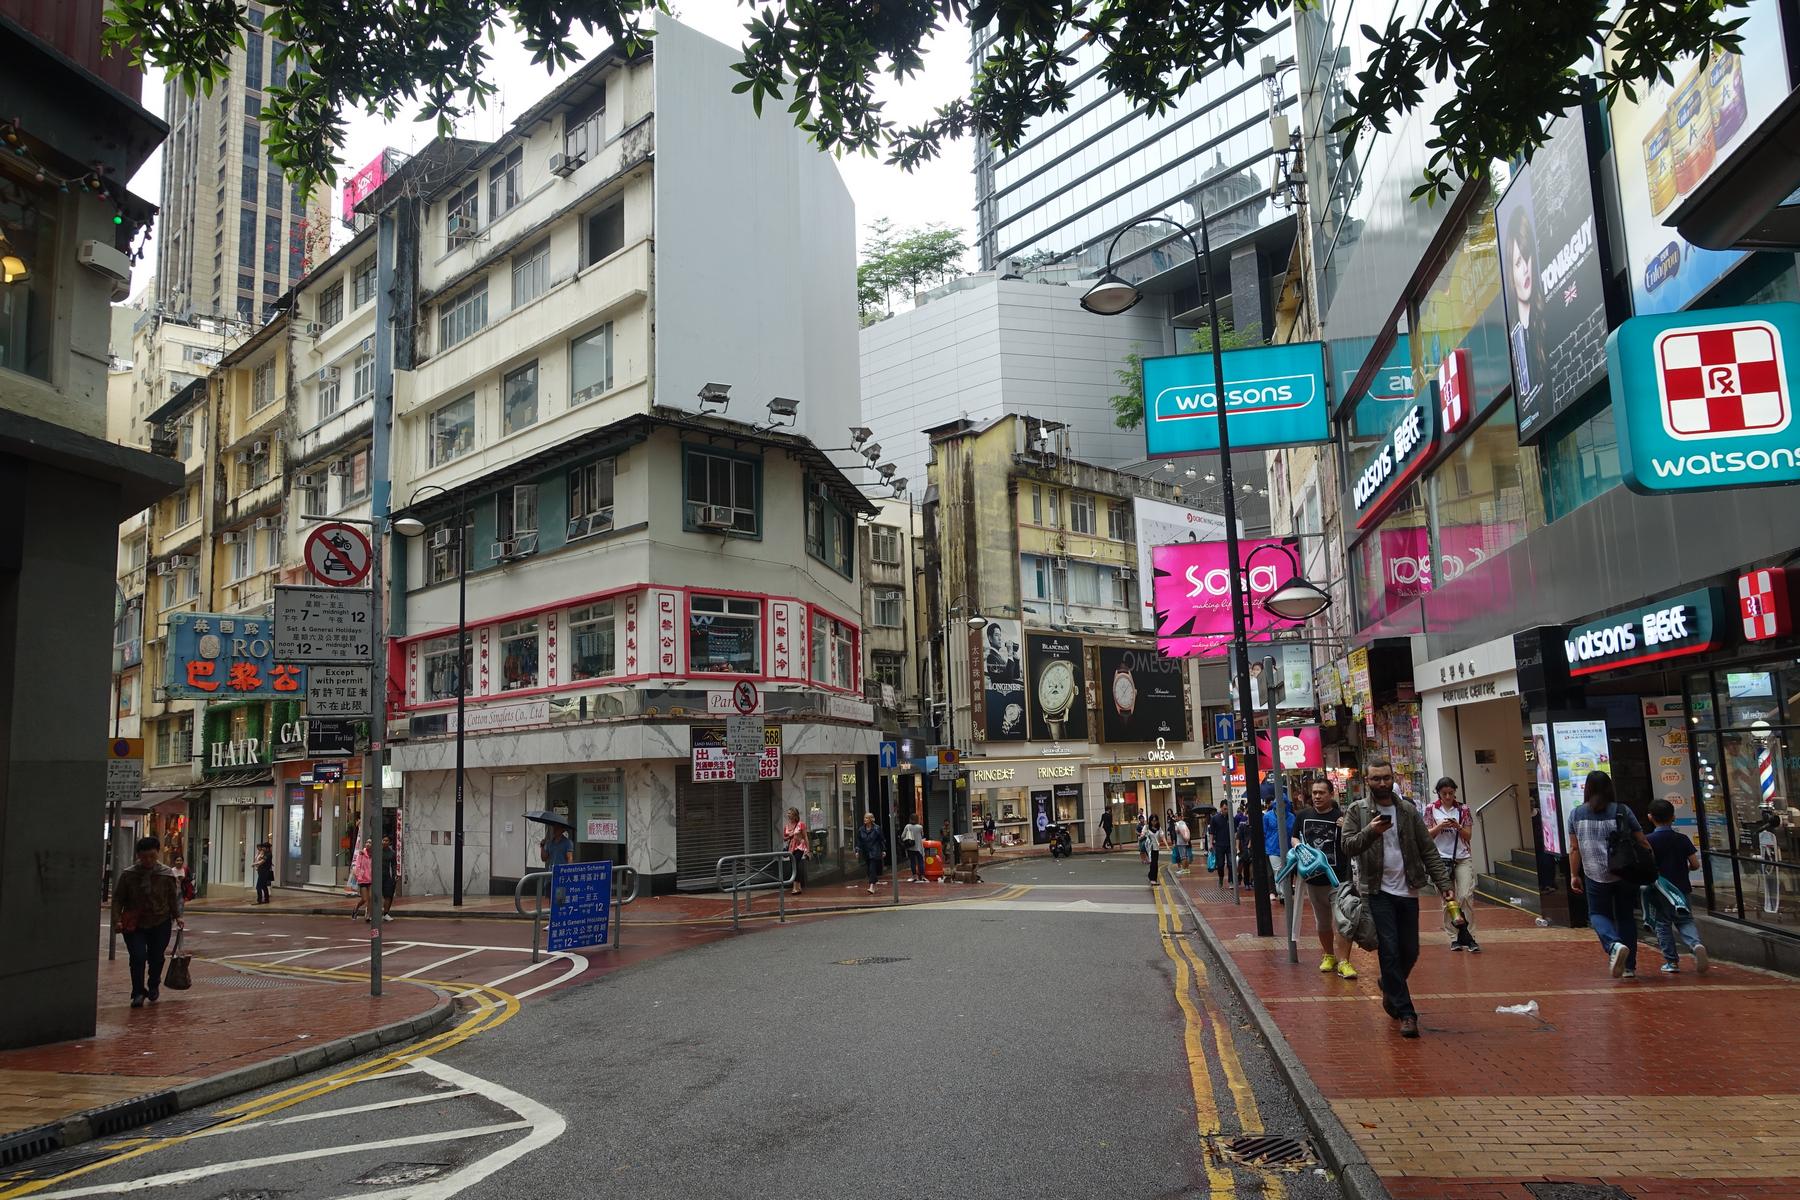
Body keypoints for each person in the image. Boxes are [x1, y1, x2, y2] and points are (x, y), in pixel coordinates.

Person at [1341, 759, 1454, 1038]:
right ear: (1367, 781)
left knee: (1410, 950)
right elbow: (1347, 846)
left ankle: (1390, 985)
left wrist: (1444, 885)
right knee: (1389, 950)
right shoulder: (1358, 811)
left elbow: (1427, 850)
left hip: (1408, 889)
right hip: (1377, 891)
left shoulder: (1406, 811)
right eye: (1376, 778)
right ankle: (1406, 1012)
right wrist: (1371, 831)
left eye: (1386, 778)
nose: (1382, 783)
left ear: (1394, 779)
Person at [1567, 771, 1653, 979]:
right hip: (1624, 872)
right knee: (1625, 917)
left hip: (1594, 873)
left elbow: (1574, 848)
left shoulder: (1576, 814)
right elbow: (1642, 841)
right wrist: (1651, 862)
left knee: (1597, 914)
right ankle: (1629, 967)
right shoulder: (1622, 810)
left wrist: (1573, 874)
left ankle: (1613, 945)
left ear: (1587, 788)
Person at [1295, 778, 1357, 979]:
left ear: (1331, 794)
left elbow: (1354, 842)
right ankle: (1329, 955)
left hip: (1337, 880)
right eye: (1314, 793)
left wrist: (1346, 826)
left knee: (1342, 922)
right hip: (1313, 880)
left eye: (1322, 792)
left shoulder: (1342, 816)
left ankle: (1344, 962)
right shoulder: (1303, 815)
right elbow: (1294, 836)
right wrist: (1298, 847)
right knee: (1322, 923)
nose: (1317, 796)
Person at [112, 836, 183, 1008]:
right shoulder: (129, 874)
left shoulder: (166, 874)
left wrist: (178, 916)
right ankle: (137, 992)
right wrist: (116, 920)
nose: (148, 860)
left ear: (157, 853)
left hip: (161, 922)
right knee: (137, 957)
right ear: (138, 855)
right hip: (134, 924)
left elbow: (173, 898)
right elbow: (118, 899)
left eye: (152, 856)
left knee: (156, 958)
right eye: (144, 857)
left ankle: (153, 984)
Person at [1644, 799, 1708, 974]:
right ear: (1673, 817)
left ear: (1650, 817)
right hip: (1682, 888)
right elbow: (1695, 864)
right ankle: (1695, 944)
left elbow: (1647, 865)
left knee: (1663, 924)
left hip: (1660, 889)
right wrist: (1683, 868)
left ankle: (1671, 962)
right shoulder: (1682, 839)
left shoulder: (1648, 840)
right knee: (1685, 919)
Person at [1424, 777, 1479, 952]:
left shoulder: (1463, 809)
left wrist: (1458, 827)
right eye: (1444, 794)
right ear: (1438, 793)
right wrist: (1439, 827)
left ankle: (1469, 935)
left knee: (1465, 896)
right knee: (1448, 900)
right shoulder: (1431, 809)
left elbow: (1468, 836)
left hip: (1462, 858)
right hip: (1440, 859)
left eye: (1451, 793)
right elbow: (1427, 835)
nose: (1448, 797)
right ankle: (1454, 937)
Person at [1262, 780, 1293, 904]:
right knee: (1278, 870)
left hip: (1288, 848)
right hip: (1272, 848)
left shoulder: (1291, 817)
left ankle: (1284, 892)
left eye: (1284, 803)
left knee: (1287, 870)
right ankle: (1282, 893)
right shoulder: (1267, 816)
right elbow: (1264, 833)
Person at [781, 807, 810, 896]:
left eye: (790, 813)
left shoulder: (801, 824)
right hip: (791, 848)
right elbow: (784, 838)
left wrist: (808, 850)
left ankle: (795, 887)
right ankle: (799, 886)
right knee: (793, 866)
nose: (788, 815)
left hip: (800, 847)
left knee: (795, 864)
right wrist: (789, 836)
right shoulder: (786, 826)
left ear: (794, 815)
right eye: (788, 813)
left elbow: (805, 837)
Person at [856, 811, 886, 894]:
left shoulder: (877, 828)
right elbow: (859, 841)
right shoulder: (861, 829)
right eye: (864, 818)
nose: (864, 819)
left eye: (866, 818)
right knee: (869, 870)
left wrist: (883, 850)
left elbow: (881, 840)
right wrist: (857, 850)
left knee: (872, 868)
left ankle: (871, 886)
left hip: (875, 851)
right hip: (866, 851)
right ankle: (874, 881)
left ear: (871, 819)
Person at [349, 838, 373, 920]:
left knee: (370, 897)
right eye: (367, 842)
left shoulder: (374, 855)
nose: (368, 844)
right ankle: (356, 908)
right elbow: (357, 866)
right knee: (364, 899)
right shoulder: (362, 853)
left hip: (371, 879)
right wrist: (359, 877)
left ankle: (368, 915)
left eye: (370, 842)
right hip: (363, 880)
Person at [1209, 807, 1233, 886]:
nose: (1226, 810)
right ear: (1221, 808)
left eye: (1227, 809)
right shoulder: (1215, 818)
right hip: (1219, 845)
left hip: (1230, 845)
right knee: (1220, 864)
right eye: (1225, 809)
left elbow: (1235, 831)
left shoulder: (1231, 818)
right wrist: (1211, 843)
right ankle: (1221, 878)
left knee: (1230, 863)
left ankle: (1231, 880)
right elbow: (1211, 832)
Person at [379, 835, 400, 922]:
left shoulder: (392, 853)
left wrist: (395, 875)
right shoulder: (377, 851)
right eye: (383, 840)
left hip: (388, 877)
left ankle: (385, 913)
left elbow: (394, 865)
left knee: (388, 896)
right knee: (375, 896)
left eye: (386, 840)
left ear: (389, 842)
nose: (384, 842)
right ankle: (371, 912)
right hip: (377, 877)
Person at [902, 815, 926, 882]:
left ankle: (914, 876)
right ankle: (922, 876)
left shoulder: (907, 826)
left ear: (910, 819)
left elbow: (902, 836)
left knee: (913, 862)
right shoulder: (920, 827)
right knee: (920, 861)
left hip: (911, 847)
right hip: (919, 848)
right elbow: (922, 835)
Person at [1140, 815, 1163, 883]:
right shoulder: (1146, 827)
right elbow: (1142, 834)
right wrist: (1141, 837)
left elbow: (1162, 836)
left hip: (1156, 847)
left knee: (1155, 862)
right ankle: (1153, 879)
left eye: (1155, 821)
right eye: (1153, 821)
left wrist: (1167, 845)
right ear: (1150, 821)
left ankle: (1152, 876)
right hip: (1149, 847)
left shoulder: (1158, 827)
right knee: (1153, 863)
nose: (1154, 822)